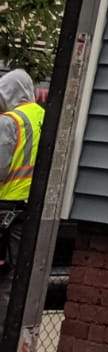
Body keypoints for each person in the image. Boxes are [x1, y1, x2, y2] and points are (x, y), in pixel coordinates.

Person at [0, 70, 43, 326]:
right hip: (35, 211)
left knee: (3, 281)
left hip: (7, 211)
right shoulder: (46, 117)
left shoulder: (9, 121)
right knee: (21, 278)